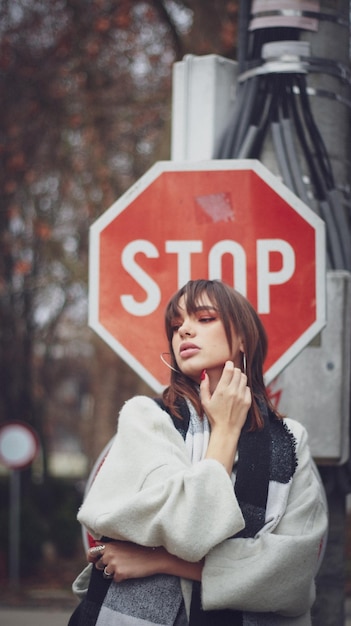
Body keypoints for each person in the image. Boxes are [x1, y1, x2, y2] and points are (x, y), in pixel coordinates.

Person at [70, 279, 328, 626]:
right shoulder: (148, 419)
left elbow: (292, 579)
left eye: (204, 318)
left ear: (242, 339)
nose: (185, 330)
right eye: (176, 326)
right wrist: (224, 432)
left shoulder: (290, 440)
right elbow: (189, 531)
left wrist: (160, 560)